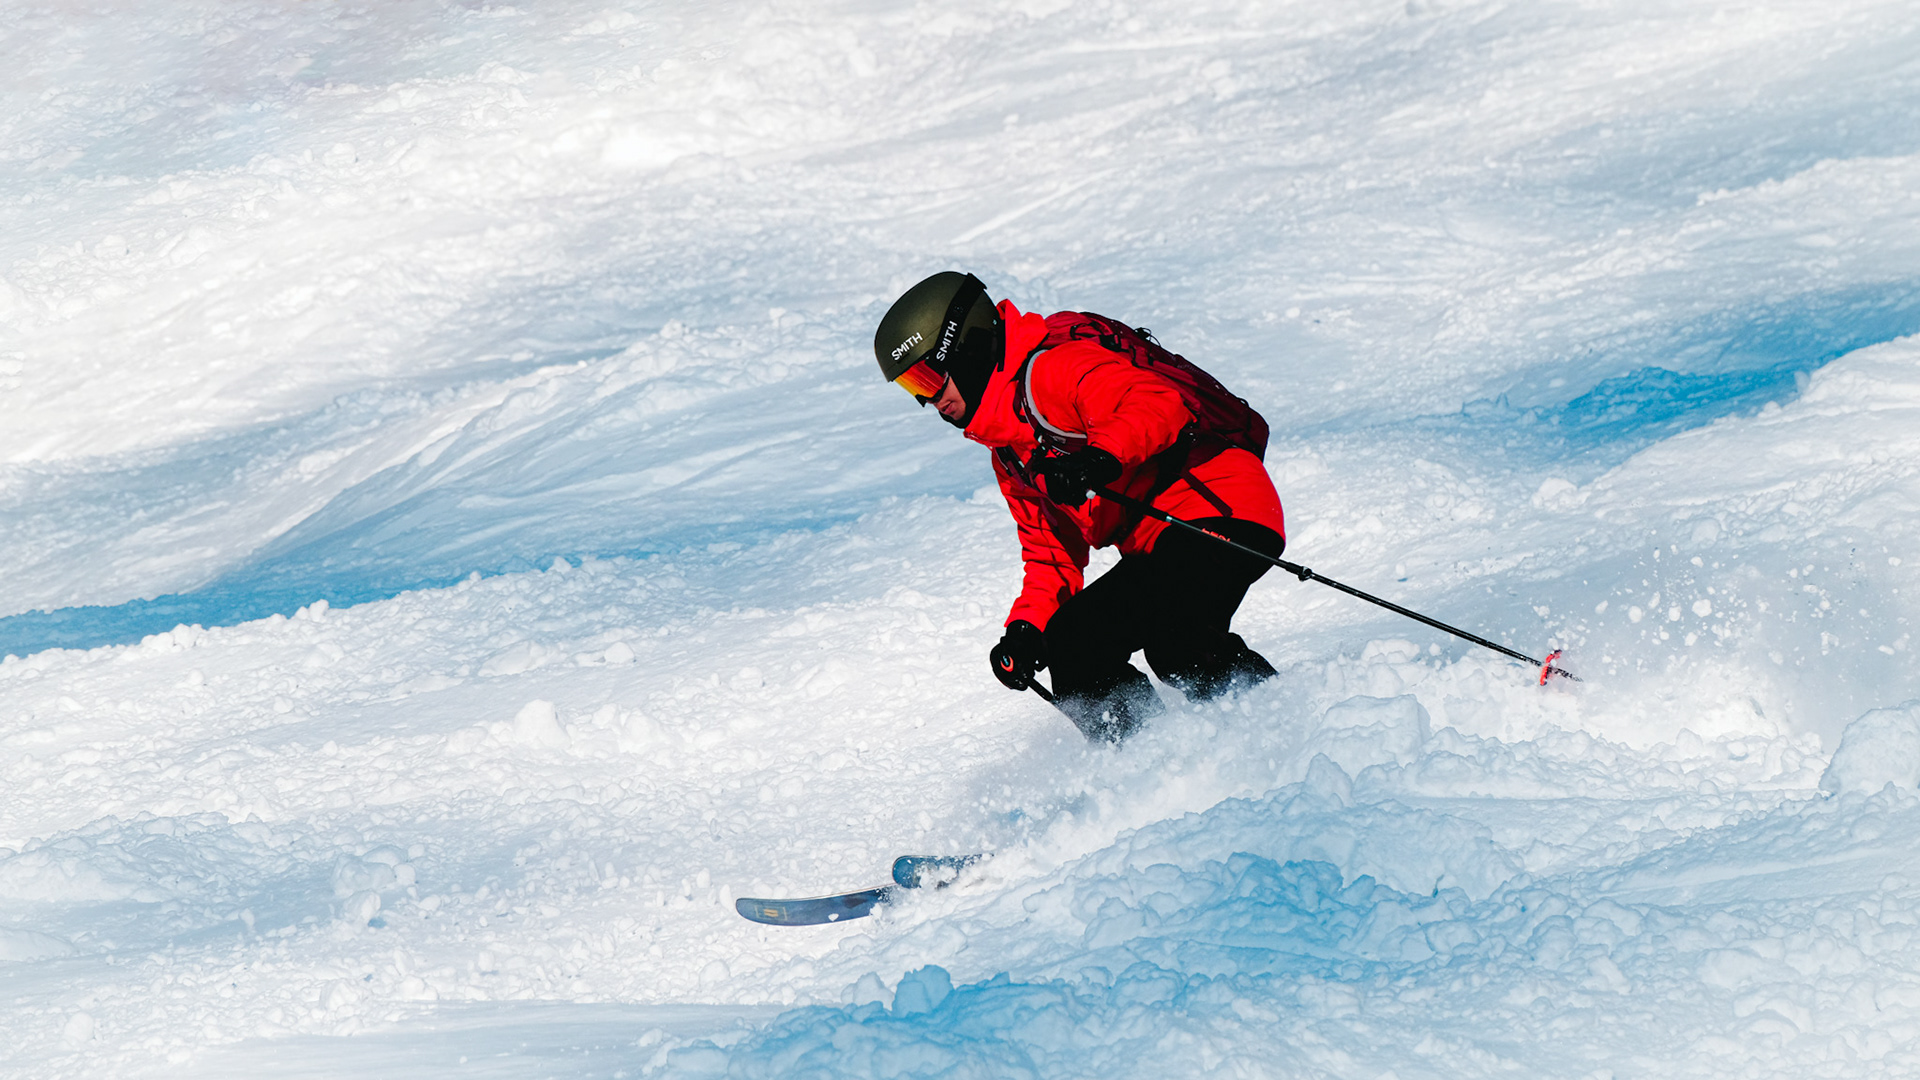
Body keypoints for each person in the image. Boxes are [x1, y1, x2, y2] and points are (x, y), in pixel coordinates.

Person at [873, 271, 1288, 742]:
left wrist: (1098, 458)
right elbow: (1051, 554)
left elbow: (1156, 403)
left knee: (1176, 638)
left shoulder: (1053, 369)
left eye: (927, 376)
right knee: (1073, 646)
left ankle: (1278, 729)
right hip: (1161, 543)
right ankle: (1149, 768)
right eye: (912, 388)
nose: (930, 400)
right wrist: (1027, 630)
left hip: (1219, 504)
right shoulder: (1011, 452)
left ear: (965, 345)